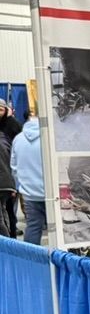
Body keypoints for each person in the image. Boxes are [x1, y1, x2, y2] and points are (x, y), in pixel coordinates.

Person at [11, 113, 45, 245]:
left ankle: (31, 261)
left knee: (33, 227)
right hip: (52, 192)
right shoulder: (49, 138)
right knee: (59, 228)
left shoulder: (18, 139)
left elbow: (14, 167)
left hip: (29, 193)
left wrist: (20, 185)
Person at [0, 100, 21, 234]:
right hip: (6, 177)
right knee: (5, 212)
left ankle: (10, 239)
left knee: (8, 212)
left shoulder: (13, 126)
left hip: (8, 176)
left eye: (0, 109)